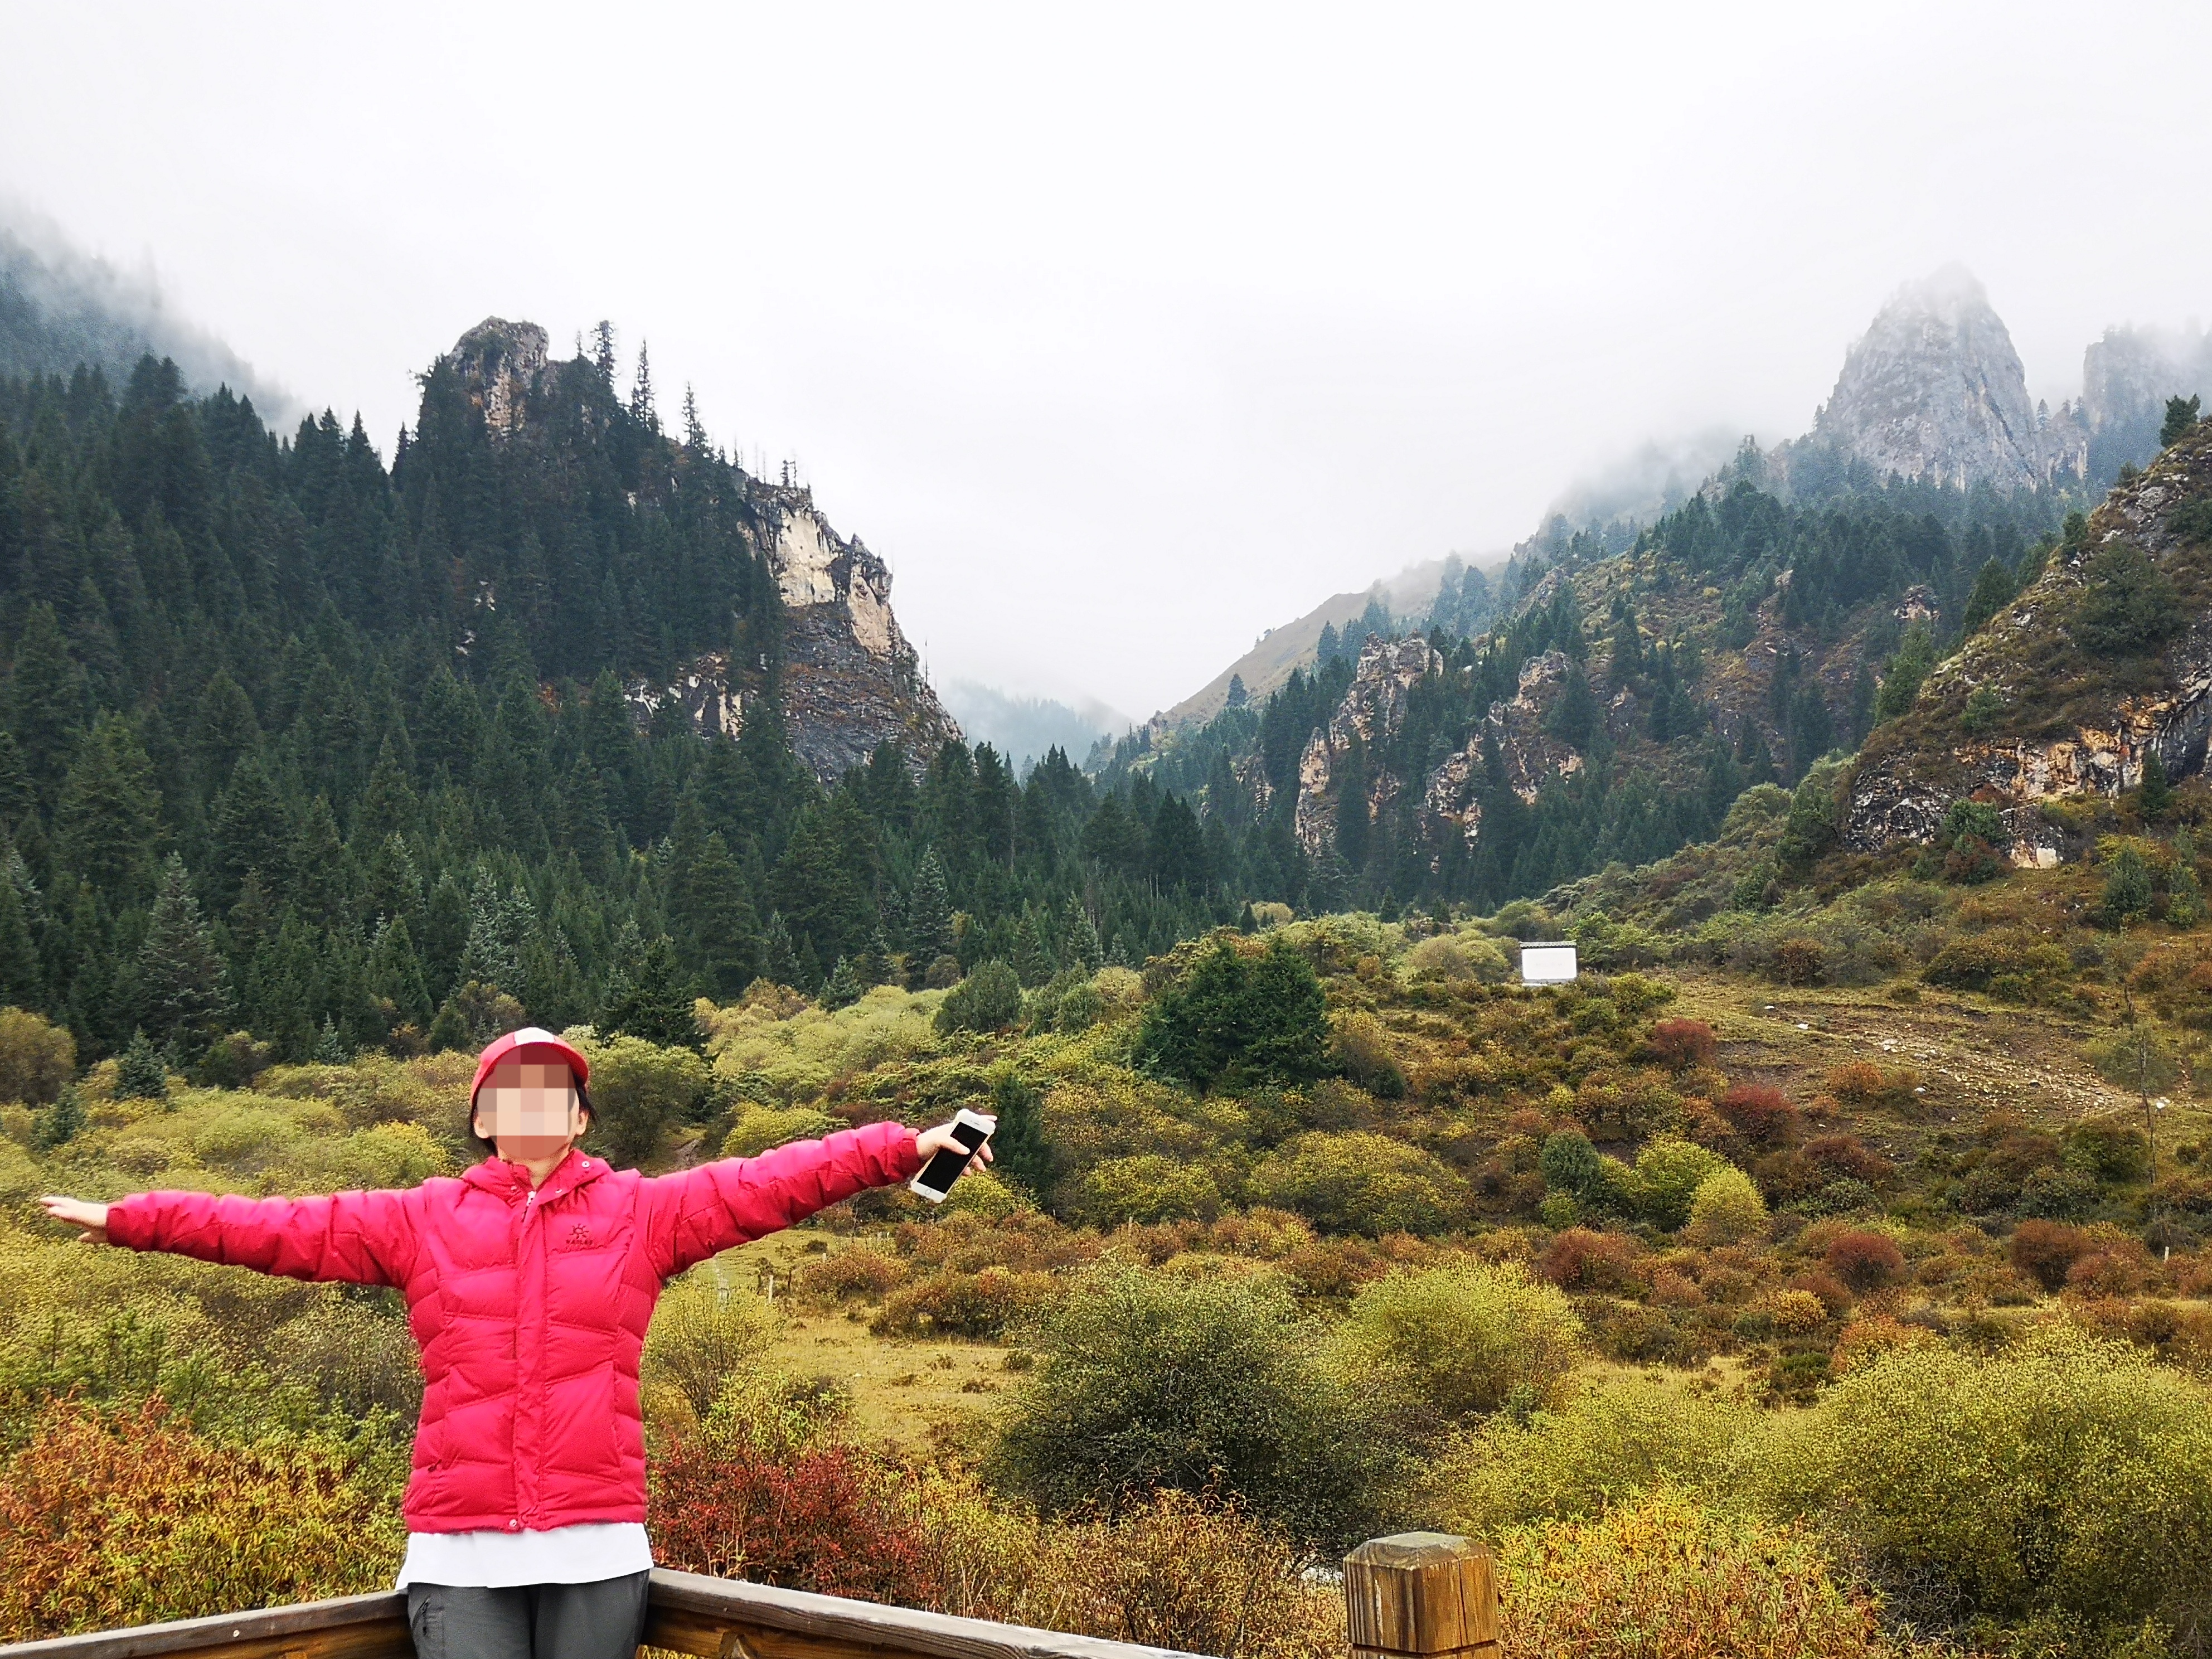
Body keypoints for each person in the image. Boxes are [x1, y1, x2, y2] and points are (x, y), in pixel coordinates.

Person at [40, 1025, 993, 1659]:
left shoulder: (643, 1214)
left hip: (597, 1545)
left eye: (557, 1092)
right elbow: (269, 1226)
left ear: (580, 1117)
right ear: (484, 1118)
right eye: (512, 1091)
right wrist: (130, 1218)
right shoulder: (417, 1219)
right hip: (460, 1554)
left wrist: (902, 1147)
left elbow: (769, 1180)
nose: (536, 1105)